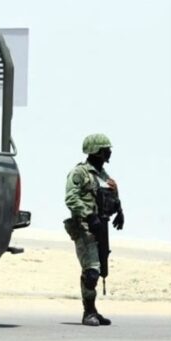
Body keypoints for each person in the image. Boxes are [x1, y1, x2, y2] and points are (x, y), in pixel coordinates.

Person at [64, 134, 124, 327]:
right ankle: (88, 311)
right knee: (91, 271)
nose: (110, 153)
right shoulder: (80, 173)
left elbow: (110, 196)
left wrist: (119, 211)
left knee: (101, 269)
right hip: (84, 227)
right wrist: (89, 215)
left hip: (101, 227)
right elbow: (71, 199)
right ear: (97, 151)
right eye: (106, 149)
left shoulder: (104, 176)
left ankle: (94, 310)